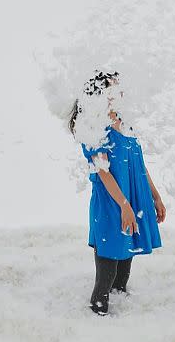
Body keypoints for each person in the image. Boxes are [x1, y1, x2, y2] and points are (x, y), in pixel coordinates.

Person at [67, 69, 166, 316]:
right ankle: (96, 321)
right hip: (112, 203)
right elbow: (103, 172)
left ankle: (121, 327)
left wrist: (155, 195)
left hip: (133, 197)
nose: (119, 91)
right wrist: (124, 205)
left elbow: (138, 162)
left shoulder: (125, 119)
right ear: (99, 94)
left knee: (125, 264)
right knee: (108, 267)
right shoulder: (93, 126)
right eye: (112, 87)